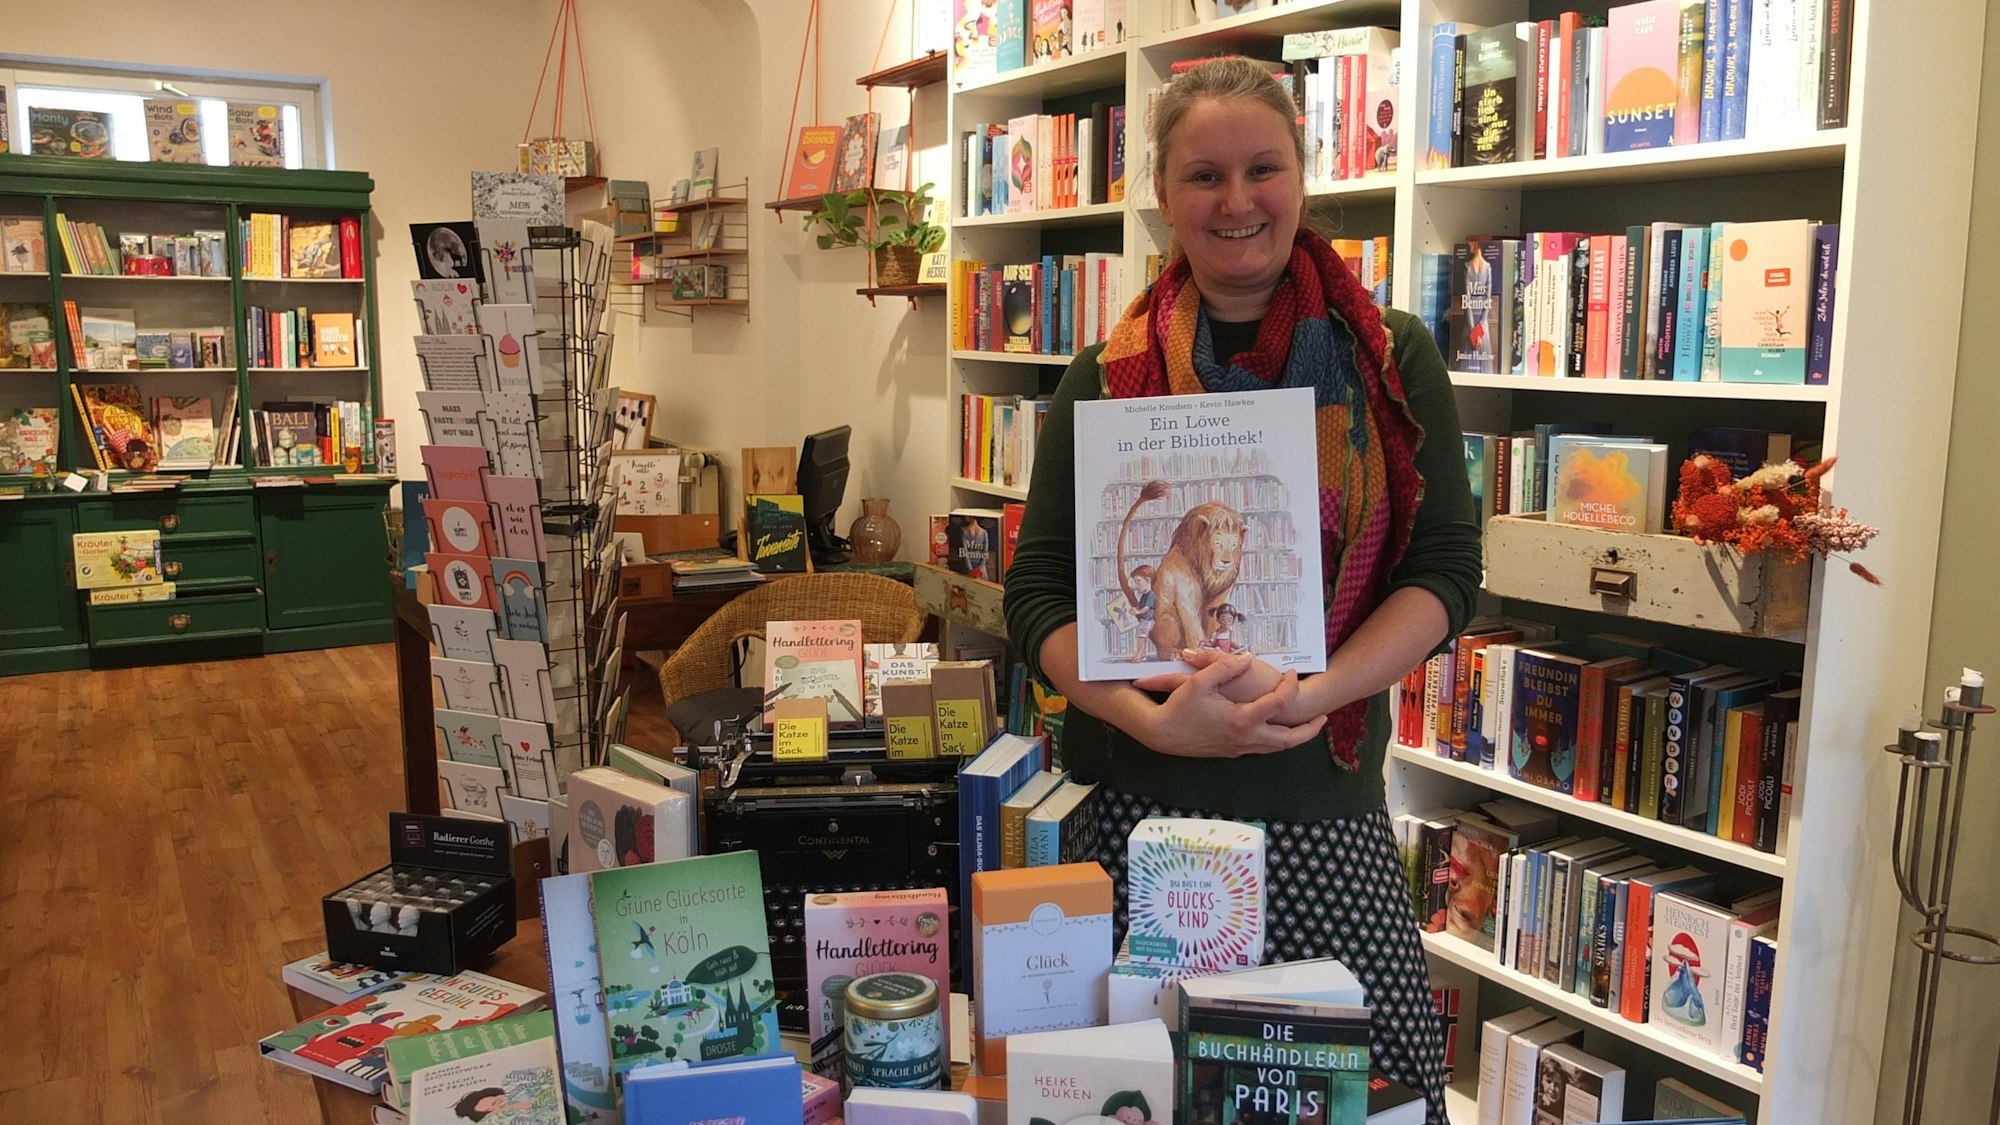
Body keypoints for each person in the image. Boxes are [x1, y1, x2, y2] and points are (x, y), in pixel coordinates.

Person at [1002, 56, 1481, 1123]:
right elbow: (1035, 593)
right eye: (1202, 175)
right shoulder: (1102, 373)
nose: (1235, 201)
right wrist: (1150, 722)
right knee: (1132, 1101)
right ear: (1161, 196)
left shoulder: (1389, 362)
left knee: (1364, 1102)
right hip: (1132, 815)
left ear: (1303, 177)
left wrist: (1313, 695)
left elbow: (1445, 571)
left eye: (1261, 167)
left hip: (1317, 811)